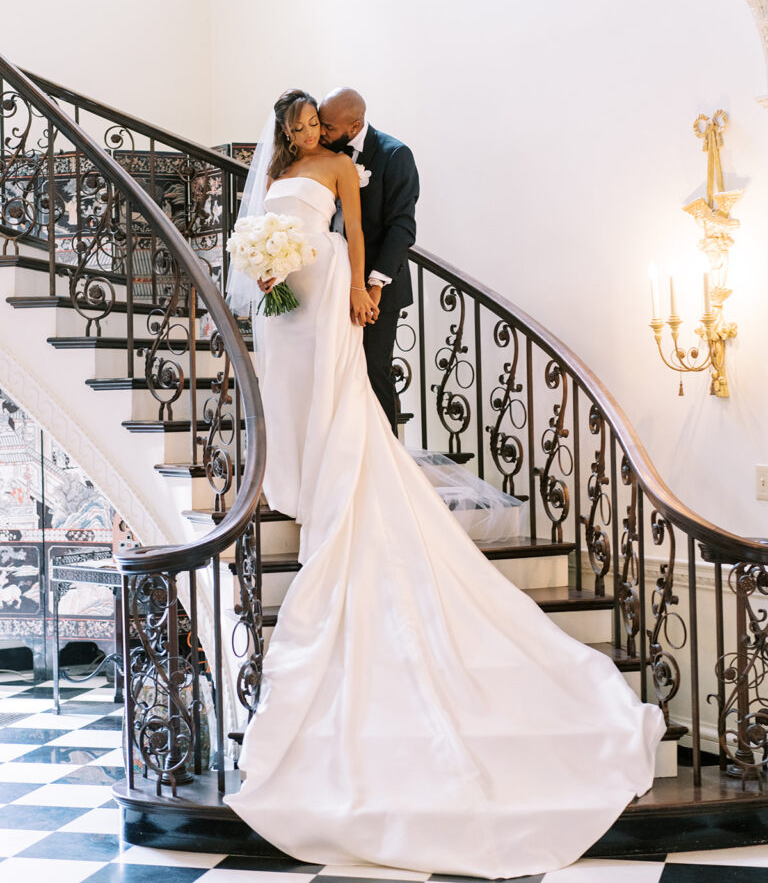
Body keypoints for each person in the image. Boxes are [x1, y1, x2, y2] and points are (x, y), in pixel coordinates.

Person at [225, 89, 666, 880]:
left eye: (315, 124)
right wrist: (264, 272)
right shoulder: (280, 169)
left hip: (329, 299)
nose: (308, 133)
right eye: (299, 125)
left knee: (346, 406)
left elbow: (362, 234)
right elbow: (254, 234)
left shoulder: (347, 169)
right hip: (286, 307)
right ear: (290, 128)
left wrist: (363, 288)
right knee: (294, 405)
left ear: (335, 126)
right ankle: (301, 477)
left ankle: (341, 488)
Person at [318, 88, 419, 434]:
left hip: (377, 289)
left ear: (355, 124)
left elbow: (402, 227)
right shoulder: (320, 153)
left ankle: (388, 465)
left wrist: (373, 285)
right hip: (329, 283)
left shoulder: (394, 155)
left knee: (374, 371)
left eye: (328, 127)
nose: (321, 133)